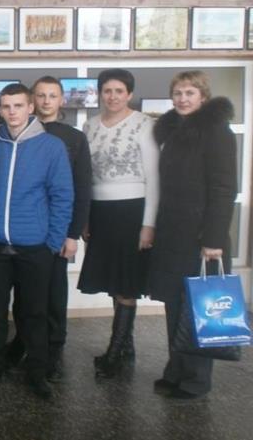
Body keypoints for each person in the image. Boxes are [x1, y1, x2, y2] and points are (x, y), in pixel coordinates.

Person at [0, 83, 73, 399]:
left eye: (18, 105)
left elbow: (62, 196)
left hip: (35, 247)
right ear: (0, 109)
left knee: (34, 313)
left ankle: (37, 372)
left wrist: (52, 242)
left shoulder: (51, 147)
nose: (12, 112)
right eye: (6, 106)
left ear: (31, 107)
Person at [148, 71, 237, 399]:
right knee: (175, 304)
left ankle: (196, 381)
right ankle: (176, 371)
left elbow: (224, 188)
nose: (182, 99)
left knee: (201, 308)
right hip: (173, 233)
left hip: (202, 238)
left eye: (189, 93)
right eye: (178, 93)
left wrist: (213, 239)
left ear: (203, 96)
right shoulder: (172, 129)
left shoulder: (217, 131)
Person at [6, 76, 91, 381]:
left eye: (52, 96)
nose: (45, 101)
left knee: (53, 295)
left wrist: (72, 233)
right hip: (28, 233)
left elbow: (80, 188)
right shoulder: (17, 134)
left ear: (61, 100)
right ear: (32, 101)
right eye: (40, 95)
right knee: (25, 295)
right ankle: (23, 342)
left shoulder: (73, 138)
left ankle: (53, 350)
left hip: (56, 232)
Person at [78, 69, 159, 378]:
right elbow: (85, 177)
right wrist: (86, 217)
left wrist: (149, 224)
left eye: (119, 91)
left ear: (129, 94)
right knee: (113, 281)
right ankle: (127, 345)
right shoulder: (90, 125)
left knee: (126, 282)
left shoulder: (144, 124)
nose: (112, 96)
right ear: (100, 93)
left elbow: (154, 178)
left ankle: (115, 351)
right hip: (100, 212)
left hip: (132, 211)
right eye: (107, 91)